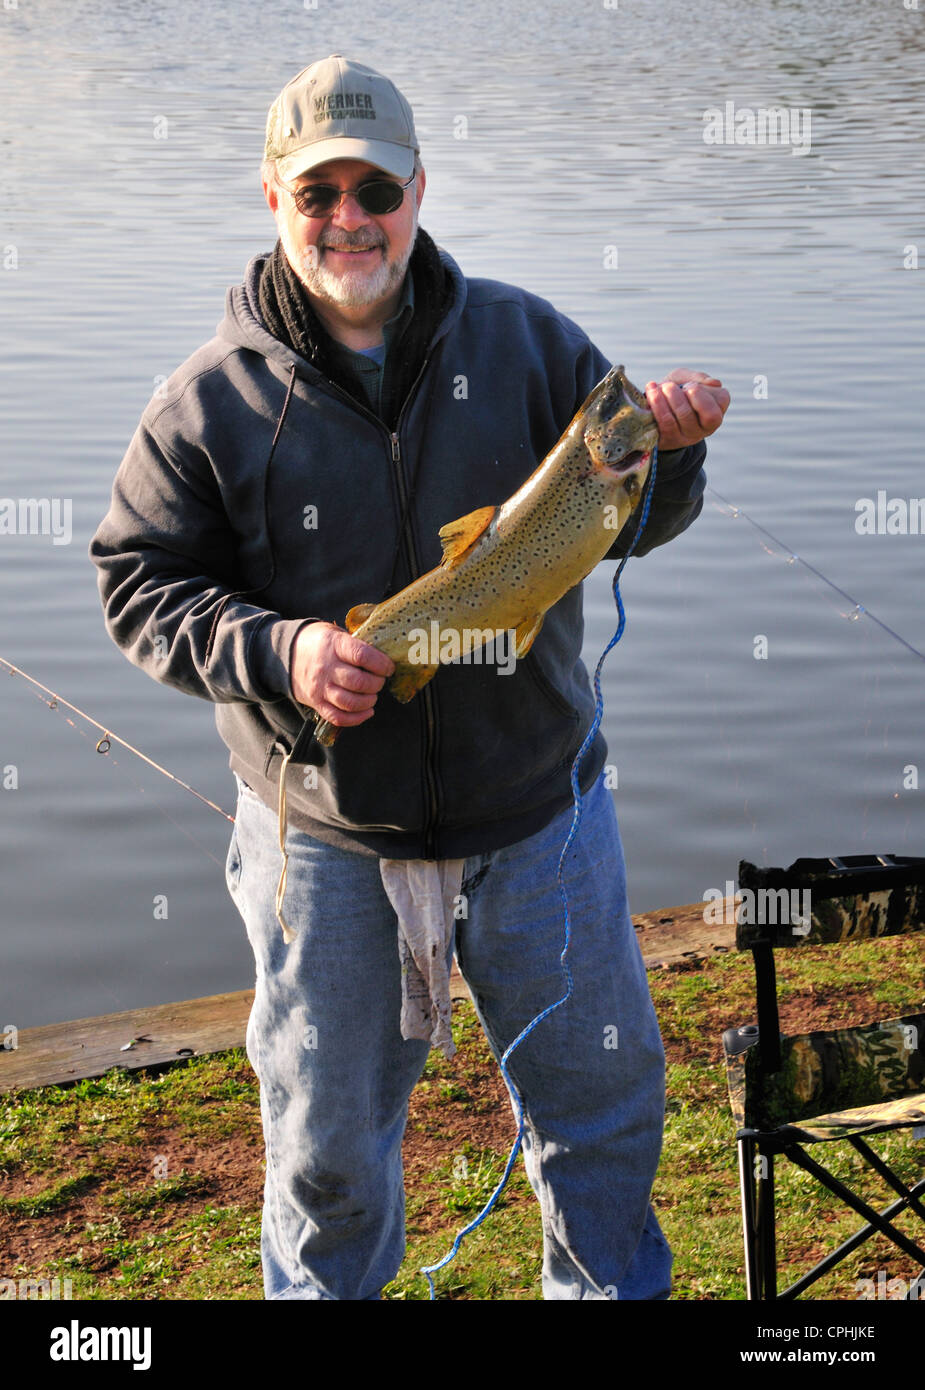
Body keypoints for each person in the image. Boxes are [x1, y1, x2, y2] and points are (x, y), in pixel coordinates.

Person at [90, 54, 729, 1301]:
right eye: (318, 190)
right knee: (328, 1166)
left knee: (602, 1130)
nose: (349, 219)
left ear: (418, 189)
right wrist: (281, 652)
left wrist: (676, 452)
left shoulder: (533, 339)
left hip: (541, 816)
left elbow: (631, 514)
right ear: (272, 196)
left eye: (373, 188)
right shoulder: (205, 402)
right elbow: (137, 583)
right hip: (325, 842)